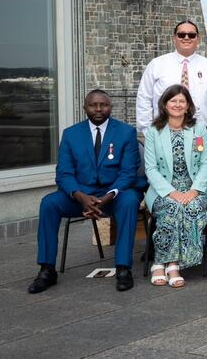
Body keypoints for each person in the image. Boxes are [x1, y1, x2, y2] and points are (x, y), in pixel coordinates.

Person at [29, 90, 141, 294]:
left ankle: (123, 268)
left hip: (113, 194)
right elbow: (63, 173)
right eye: (93, 105)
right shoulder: (71, 134)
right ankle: (46, 270)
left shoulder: (126, 132)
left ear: (110, 107)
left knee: (130, 201)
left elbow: (128, 173)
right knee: (49, 203)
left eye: (103, 105)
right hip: (81, 196)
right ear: (85, 107)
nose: (98, 109)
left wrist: (108, 196)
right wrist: (80, 197)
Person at [143, 85, 207, 288]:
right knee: (172, 207)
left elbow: (205, 163)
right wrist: (171, 192)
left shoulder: (198, 129)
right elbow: (151, 168)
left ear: (188, 105)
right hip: (163, 189)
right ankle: (164, 262)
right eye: (173, 101)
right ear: (164, 104)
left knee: (190, 207)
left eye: (182, 101)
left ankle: (170, 264)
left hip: (194, 188)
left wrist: (193, 191)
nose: (177, 104)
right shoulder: (154, 131)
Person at [136, 20, 207, 135]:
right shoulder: (157, 64)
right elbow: (144, 98)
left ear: (198, 39)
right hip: (163, 130)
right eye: (181, 35)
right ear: (174, 38)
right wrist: (147, 131)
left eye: (191, 35)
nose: (186, 38)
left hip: (201, 132)